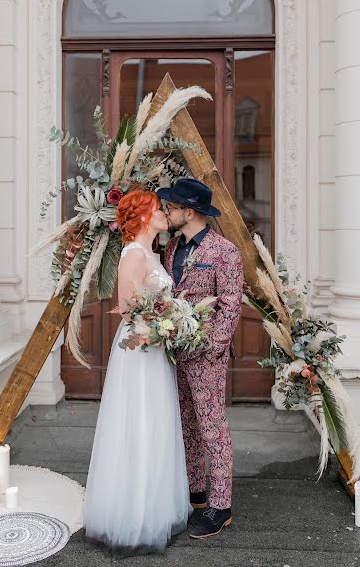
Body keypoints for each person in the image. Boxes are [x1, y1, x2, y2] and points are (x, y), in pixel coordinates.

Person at [83, 190, 192, 556]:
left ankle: (155, 505)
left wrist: (172, 321)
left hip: (155, 349)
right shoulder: (132, 253)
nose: (164, 213)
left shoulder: (153, 254)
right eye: (158, 209)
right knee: (138, 423)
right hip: (140, 348)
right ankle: (133, 515)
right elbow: (128, 309)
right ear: (144, 215)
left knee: (157, 423)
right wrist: (163, 322)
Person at [157, 177, 244, 539]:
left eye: (171, 207)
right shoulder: (171, 248)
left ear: (188, 211)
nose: (166, 212)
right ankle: (195, 492)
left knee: (212, 428)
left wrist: (211, 346)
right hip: (173, 353)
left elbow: (231, 305)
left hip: (207, 355)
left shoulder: (225, 252)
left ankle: (220, 505)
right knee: (186, 424)